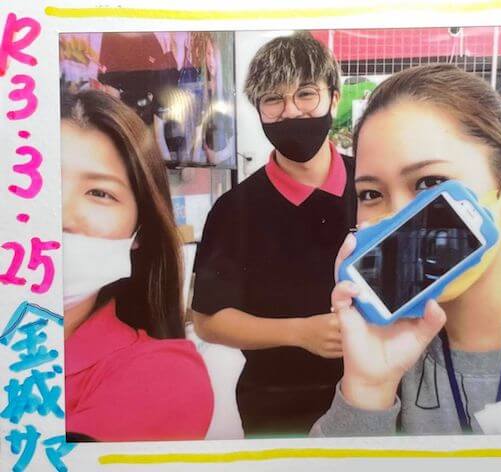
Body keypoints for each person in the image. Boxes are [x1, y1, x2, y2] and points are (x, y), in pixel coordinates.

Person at [311, 64, 501, 436]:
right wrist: (368, 388)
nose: (398, 220)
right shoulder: (374, 342)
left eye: (430, 183)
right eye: (371, 194)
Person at [191, 32, 356, 435]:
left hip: (386, 395)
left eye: (306, 94)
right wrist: (300, 333)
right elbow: (208, 321)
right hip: (278, 407)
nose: (291, 111)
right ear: (259, 110)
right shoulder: (234, 210)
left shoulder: (374, 185)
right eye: (273, 100)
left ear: (334, 99)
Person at [62, 90, 213, 442]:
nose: (62, 214)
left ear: (139, 232)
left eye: (100, 193)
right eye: (38, 181)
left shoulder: (163, 376)